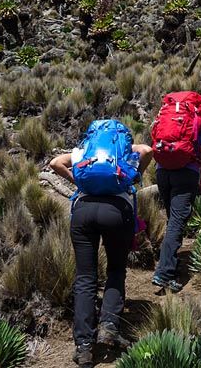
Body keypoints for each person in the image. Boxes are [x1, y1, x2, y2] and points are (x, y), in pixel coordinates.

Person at [48, 123, 153, 368]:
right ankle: (108, 327)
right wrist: (134, 177)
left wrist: (80, 182)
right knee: (116, 269)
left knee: (85, 276)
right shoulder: (124, 149)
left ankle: (84, 347)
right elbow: (147, 149)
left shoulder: (84, 152)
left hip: (83, 210)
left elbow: (55, 163)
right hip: (116, 211)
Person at [151, 105, 201, 293]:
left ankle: (168, 261)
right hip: (186, 174)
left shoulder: (165, 117)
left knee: (172, 219)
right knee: (177, 223)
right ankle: (164, 274)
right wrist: (193, 152)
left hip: (162, 171)